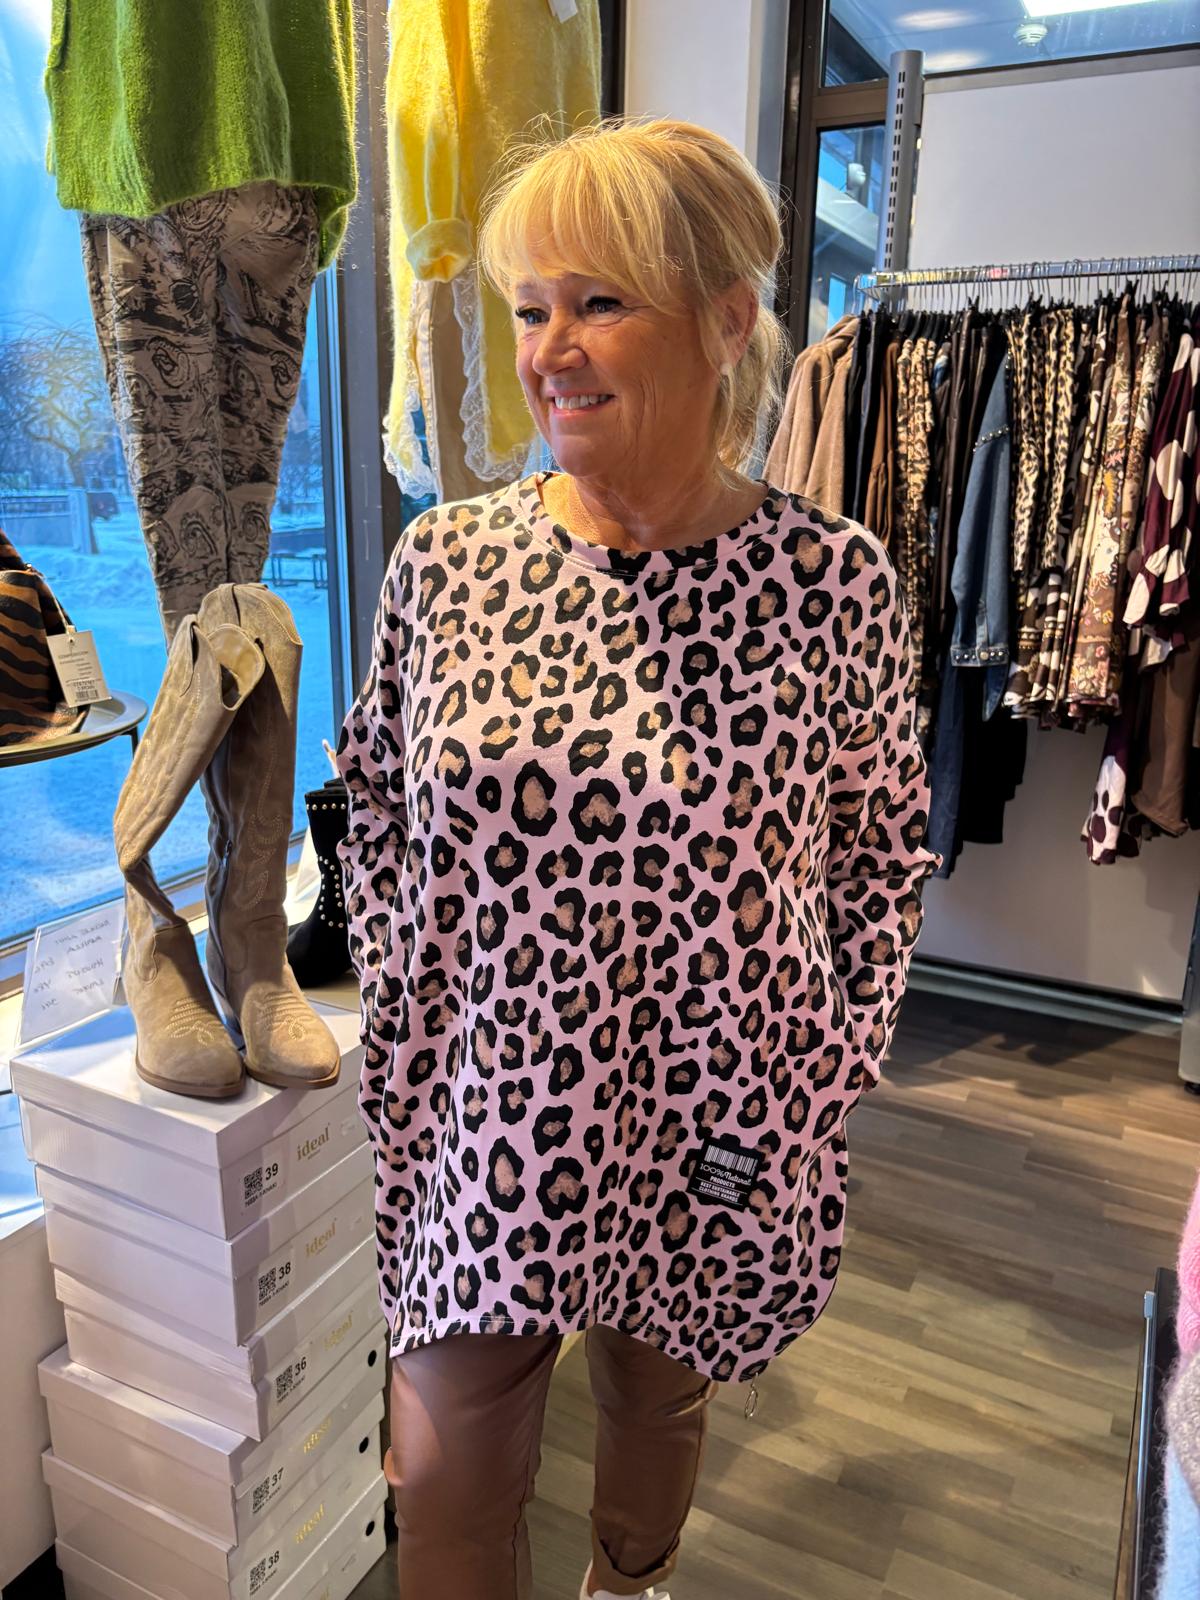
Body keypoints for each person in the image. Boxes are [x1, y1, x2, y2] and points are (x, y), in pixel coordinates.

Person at [336, 117, 940, 1600]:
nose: (549, 352)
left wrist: (825, 1058)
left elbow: (882, 850)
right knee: (445, 1469)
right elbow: (376, 802)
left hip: (720, 1108)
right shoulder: (448, 564)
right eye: (529, 308)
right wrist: (407, 1019)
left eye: (598, 303)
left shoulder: (830, 583)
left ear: (727, 320)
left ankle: (630, 1584)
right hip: (492, 1105)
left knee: (657, 1405)